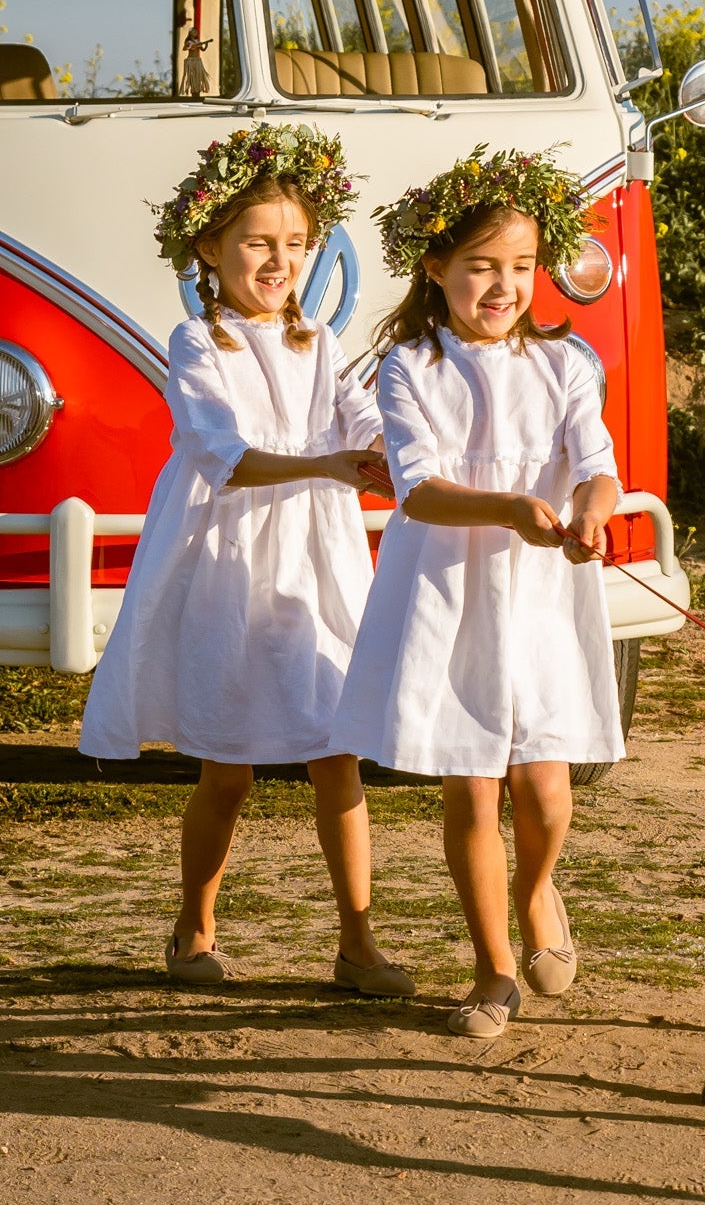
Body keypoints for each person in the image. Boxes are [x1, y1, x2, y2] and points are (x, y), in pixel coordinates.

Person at [78, 123, 414, 998]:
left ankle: (358, 941)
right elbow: (220, 453)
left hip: (317, 559)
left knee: (336, 752)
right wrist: (329, 466)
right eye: (258, 243)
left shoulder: (319, 342)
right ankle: (193, 924)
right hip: (230, 560)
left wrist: (394, 453)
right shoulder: (200, 343)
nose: (278, 262)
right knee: (227, 764)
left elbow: (358, 419)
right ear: (209, 246)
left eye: (296, 245)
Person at [329, 148, 622, 1037]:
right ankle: (494, 969)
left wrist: (590, 514)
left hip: (542, 592)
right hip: (451, 589)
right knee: (473, 790)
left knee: (547, 792)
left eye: (522, 267)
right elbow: (415, 489)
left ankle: (539, 892)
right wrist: (508, 508)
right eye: (482, 267)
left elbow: (601, 467)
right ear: (436, 269)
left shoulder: (566, 363)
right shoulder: (410, 366)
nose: (503, 287)